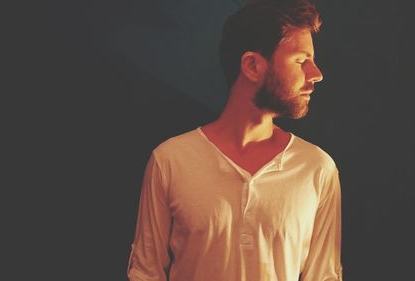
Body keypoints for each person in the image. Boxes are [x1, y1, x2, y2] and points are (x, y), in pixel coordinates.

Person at [127, 0, 343, 280]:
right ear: (252, 65)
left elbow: (324, 276)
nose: (316, 75)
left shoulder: (317, 169)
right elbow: (145, 274)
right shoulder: (170, 161)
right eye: (301, 61)